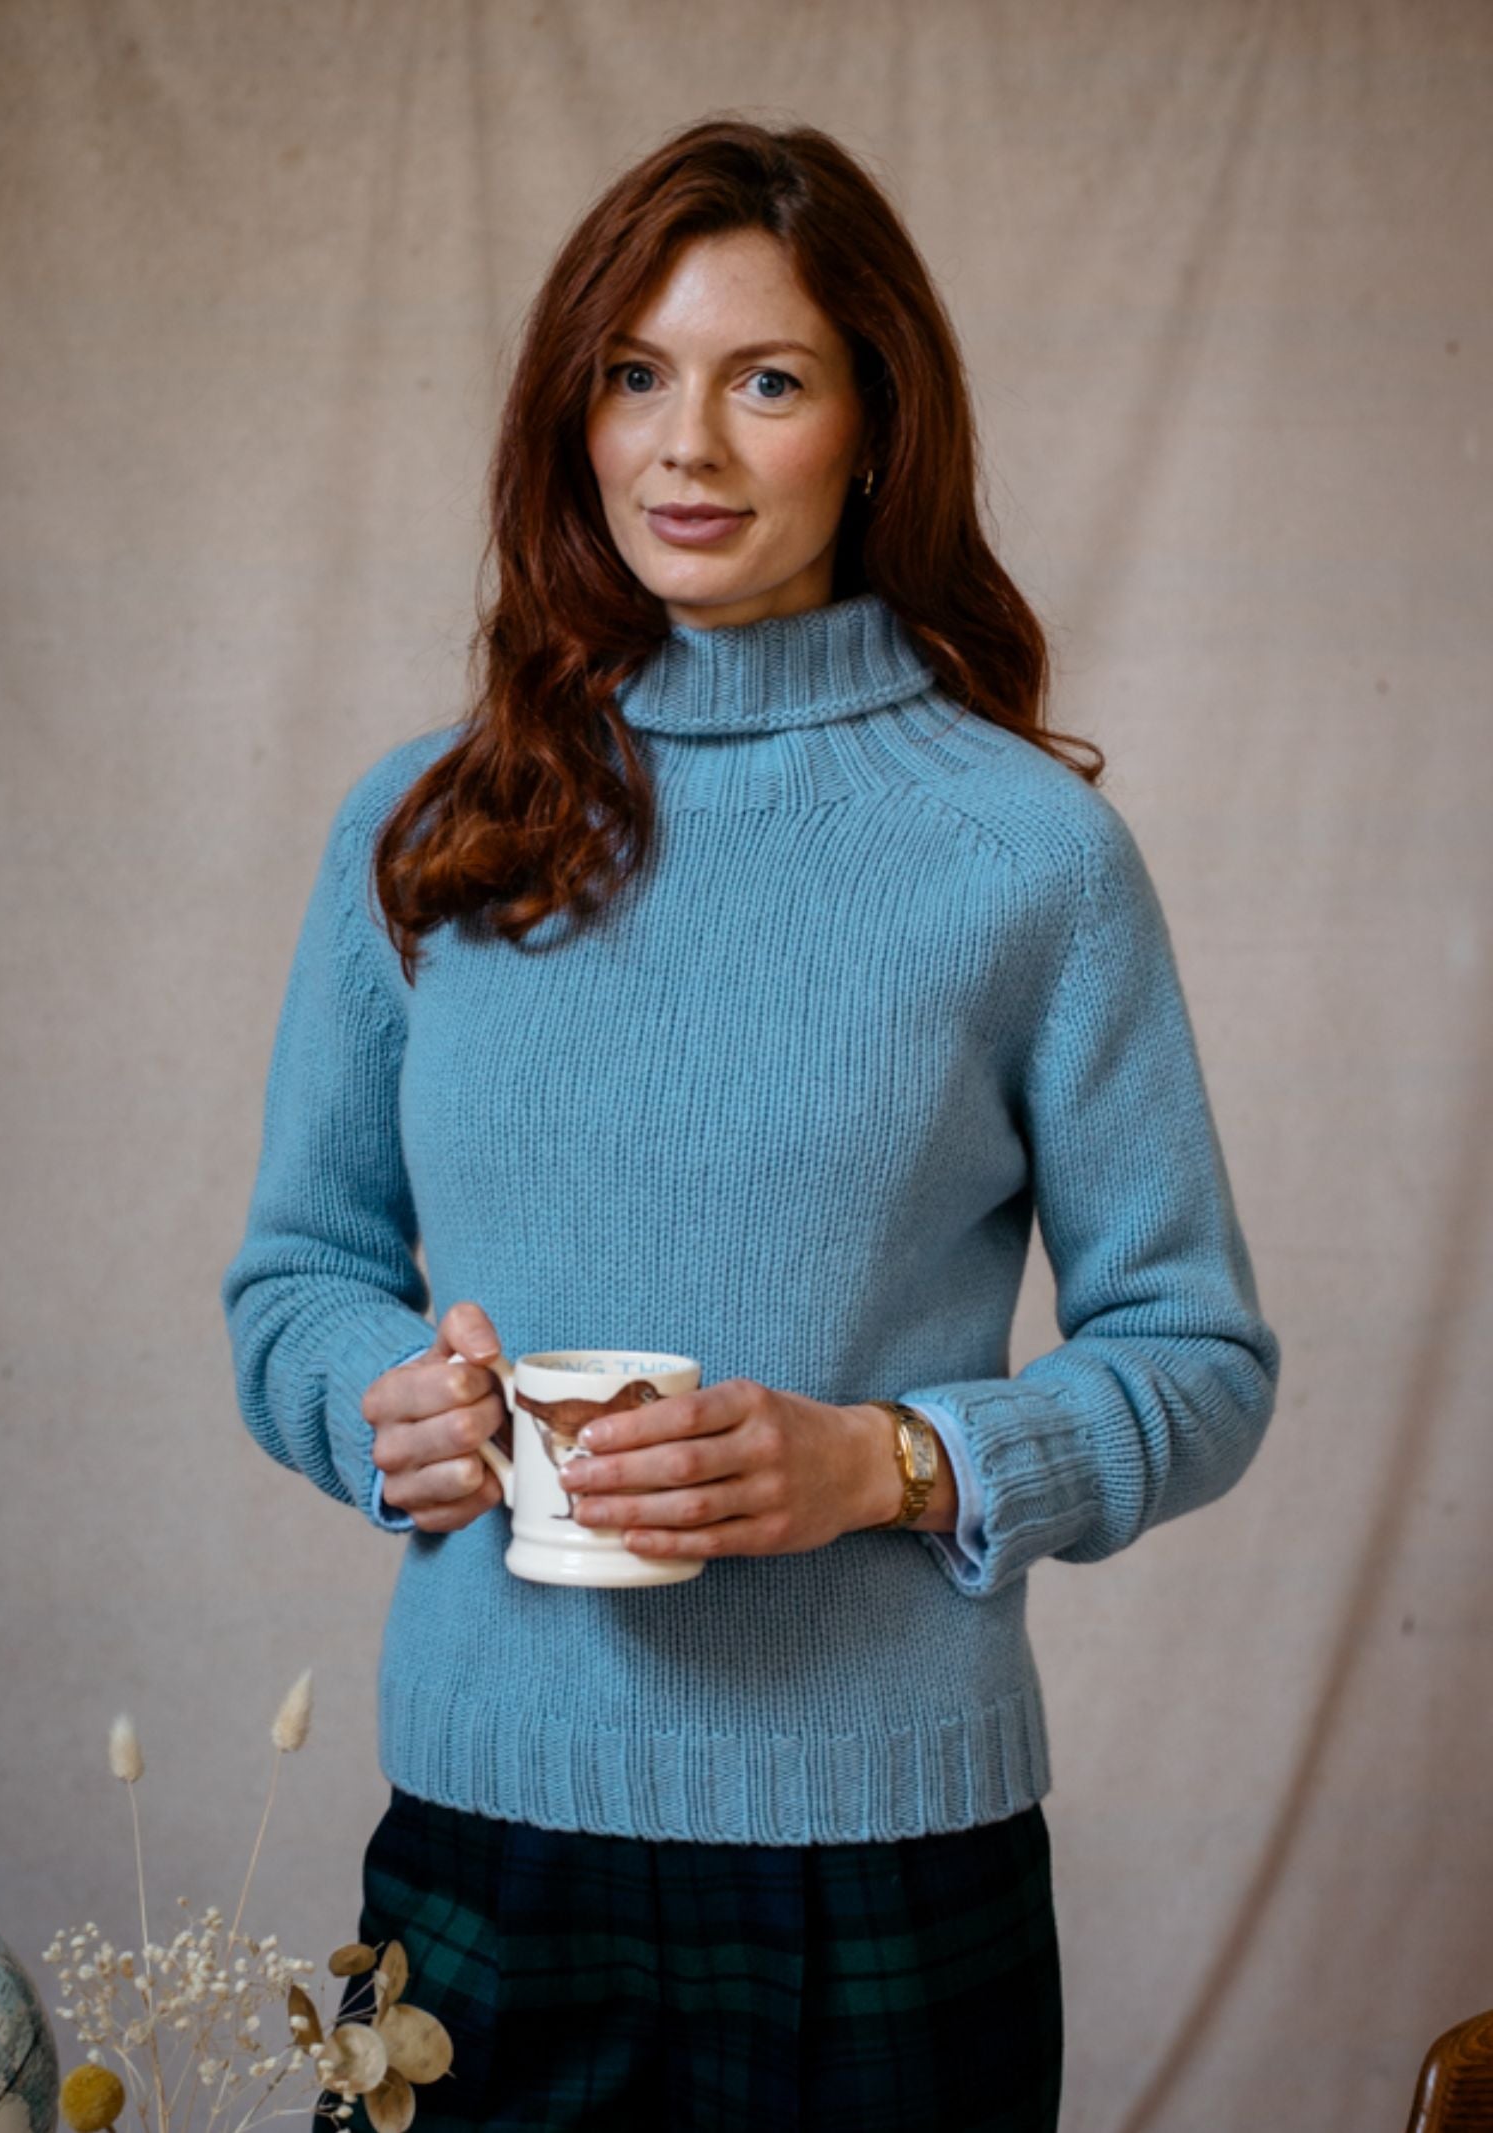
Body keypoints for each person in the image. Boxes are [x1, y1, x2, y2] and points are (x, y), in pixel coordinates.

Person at [220, 116, 1280, 2133]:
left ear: (874, 423)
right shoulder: (422, 828)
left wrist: (891, 1459)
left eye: (763, 378)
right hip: (475, 1853)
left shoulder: (1028, 858)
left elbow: (1197, 1356)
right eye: (631, 373)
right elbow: (299, 1276)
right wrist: (381, 1399)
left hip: (880, 1860)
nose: (680, 444)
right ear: (571, 412)